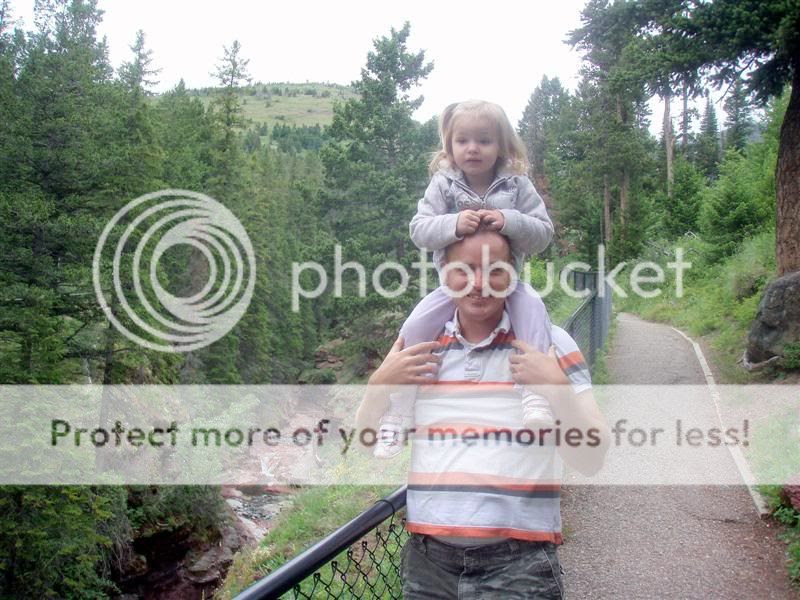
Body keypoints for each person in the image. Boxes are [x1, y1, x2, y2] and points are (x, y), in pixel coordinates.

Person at [357, 229, 609, 599]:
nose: (479, 283)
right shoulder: (420, 351)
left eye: (495, 270)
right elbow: (365, 447)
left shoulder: (549, 346)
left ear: (513, 273)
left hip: (520, 566)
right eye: (464, 269)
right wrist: (378, 385)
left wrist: (557, 387)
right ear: (444, 272)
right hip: (429, 567)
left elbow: (591, 459)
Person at [375, 100, 556, 458]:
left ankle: (536, 396)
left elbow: (543, 234)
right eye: (463, 140)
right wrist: (454, 224)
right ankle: (398, 411)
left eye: (484, 140)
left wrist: (509, 220)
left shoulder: (517, 185)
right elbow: (419, 230)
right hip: (454, 287)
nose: (473, 148)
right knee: (414, 328)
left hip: (504, 283)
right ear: (450, 145)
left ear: (501, 145)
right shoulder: (443, 184)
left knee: (534, 311)